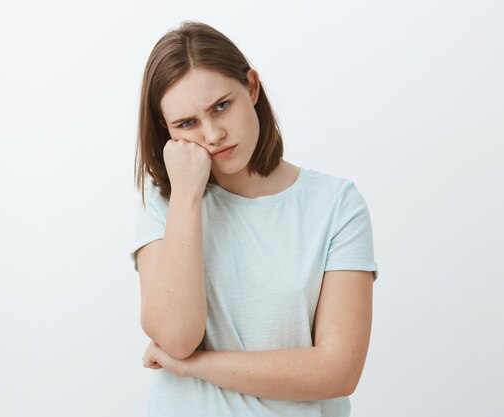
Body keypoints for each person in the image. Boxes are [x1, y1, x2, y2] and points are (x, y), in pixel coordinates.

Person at [129, 20, 378, 417]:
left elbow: (338, 370)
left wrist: (193, 366)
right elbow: (176, 337)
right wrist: (188, 195)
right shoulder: (165, 202)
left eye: (221, 106)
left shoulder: (336, 204)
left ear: (252, 87)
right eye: (187, 123)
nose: (212, 135)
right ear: (166, 129)